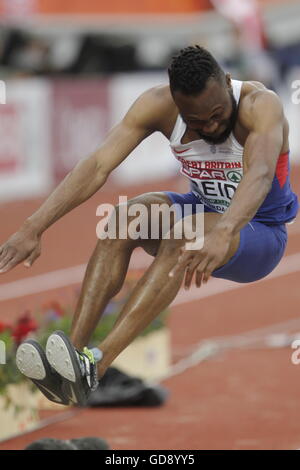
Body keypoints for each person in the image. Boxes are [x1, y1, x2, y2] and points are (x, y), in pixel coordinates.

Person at [1, 45, 298, 406]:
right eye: (196, 121)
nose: (209, 126)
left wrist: (224, 231)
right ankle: (72, 361)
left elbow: (262, 173)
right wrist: (34, 226)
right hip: (201, 209)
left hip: (258, 229)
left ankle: (97, 364)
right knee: (126, 218)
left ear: (227, 81)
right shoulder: (156, 105)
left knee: (183, 234)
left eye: (217, 114)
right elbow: (97, 165)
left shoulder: (260, 105)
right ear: (176, 103)